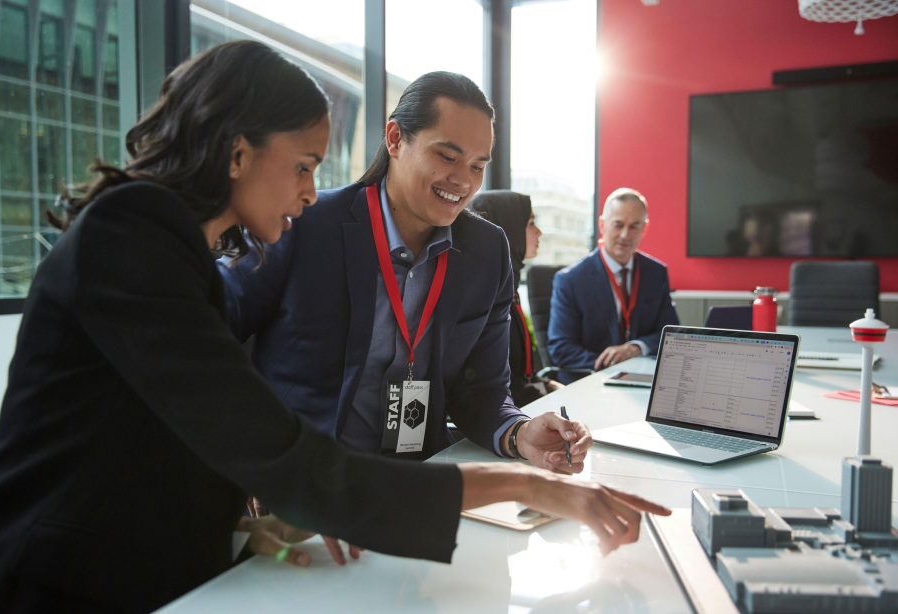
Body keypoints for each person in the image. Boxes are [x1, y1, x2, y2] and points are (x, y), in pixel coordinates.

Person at [0, 42, 669, 613]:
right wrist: (527, 485)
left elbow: (187, 422)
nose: (310, 191)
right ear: (237, 152)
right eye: (303, 166)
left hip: (180, 554)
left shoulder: (167, 245)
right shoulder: (134, 240)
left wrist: (255, 509)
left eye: (480, 166)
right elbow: (259, 435)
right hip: (62, 578)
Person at [220, 72, 584, 472]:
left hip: (415, 480)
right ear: (395, 139)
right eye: (447, 156)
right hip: (305, 477)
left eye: (478, 166)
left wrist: (518, 433)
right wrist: (250, 445)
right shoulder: (304, 223)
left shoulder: (486, 250)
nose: (463, 181)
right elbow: (209, 335)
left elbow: (482, 390)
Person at [548, 188, 679, 383]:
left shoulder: (656, 273)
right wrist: (614, 364)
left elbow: (671, 331)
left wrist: (636, 348)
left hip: (643, 378)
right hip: (589, 381)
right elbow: (561, 349)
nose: (625, 235)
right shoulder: (571, 280)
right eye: (618, 225)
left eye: (634, 226)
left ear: (645, 228)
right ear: (602, 225)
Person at [469, 190, 564, 407]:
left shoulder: (507, 286)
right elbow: (493, 389)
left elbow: (519, 374)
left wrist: (549, 386)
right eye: (531, 223)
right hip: (506, 419)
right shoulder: (485, 298)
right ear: (508, 230)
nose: (539, 232)